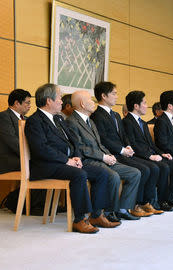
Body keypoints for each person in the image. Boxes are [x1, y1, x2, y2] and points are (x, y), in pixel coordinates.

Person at [25, 83, 119, 233]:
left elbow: (74, 141)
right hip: (47, 165)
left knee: (102, 173)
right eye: (59, 98)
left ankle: (96, 215)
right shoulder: (34, 121)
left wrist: (76, 157)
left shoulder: (59, 119)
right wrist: (66, 160)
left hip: (66, 162)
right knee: (79, 174)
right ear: (49, 100)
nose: (62, 102)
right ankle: (80, 219)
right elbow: (41, 149)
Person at [90, 82, 168, 215]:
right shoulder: (97, 115)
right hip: (113, 154)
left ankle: (143, 203)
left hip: (124, 152)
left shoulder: (115, 115)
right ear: (103, 96)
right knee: (144, 169)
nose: (116, 96)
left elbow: (123, 135)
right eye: (114, 93)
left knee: (151, 167)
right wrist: (121, 150)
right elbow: (103, 139)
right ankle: (132, 205)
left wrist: (128, 146)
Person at [65, 90, 143, 222]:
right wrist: (102, 157)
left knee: (134, 173)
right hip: (88, 161)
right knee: (113, 176)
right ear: (83, 104)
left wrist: (109, 155)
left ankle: (122, 209)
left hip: (101, 158)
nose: (93, 102)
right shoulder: (72, 121)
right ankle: (108, 212)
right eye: (90, 99)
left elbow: (99, 144)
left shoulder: (89, 120)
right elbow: (80, 147)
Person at [123, 91, 173, 210]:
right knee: (162, 167)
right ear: (136, 106)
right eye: (144, 102)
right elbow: (133, 145)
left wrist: (161, 153)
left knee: (170, 165)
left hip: (151, 154)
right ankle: (156, 201)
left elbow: (151, 144)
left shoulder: (142, 123)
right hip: (139, 156)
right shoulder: (127, 122)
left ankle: (165, 199)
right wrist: (150, 156)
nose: (146, 105)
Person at [0, 89, 31, 174]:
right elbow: (13, 142)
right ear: (17, 103)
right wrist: (33, 155)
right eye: (27, 103)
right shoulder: (3, 117)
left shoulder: (27, 119)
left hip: (23, 157)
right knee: (41, 165)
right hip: (9, 161)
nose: (30, 106)